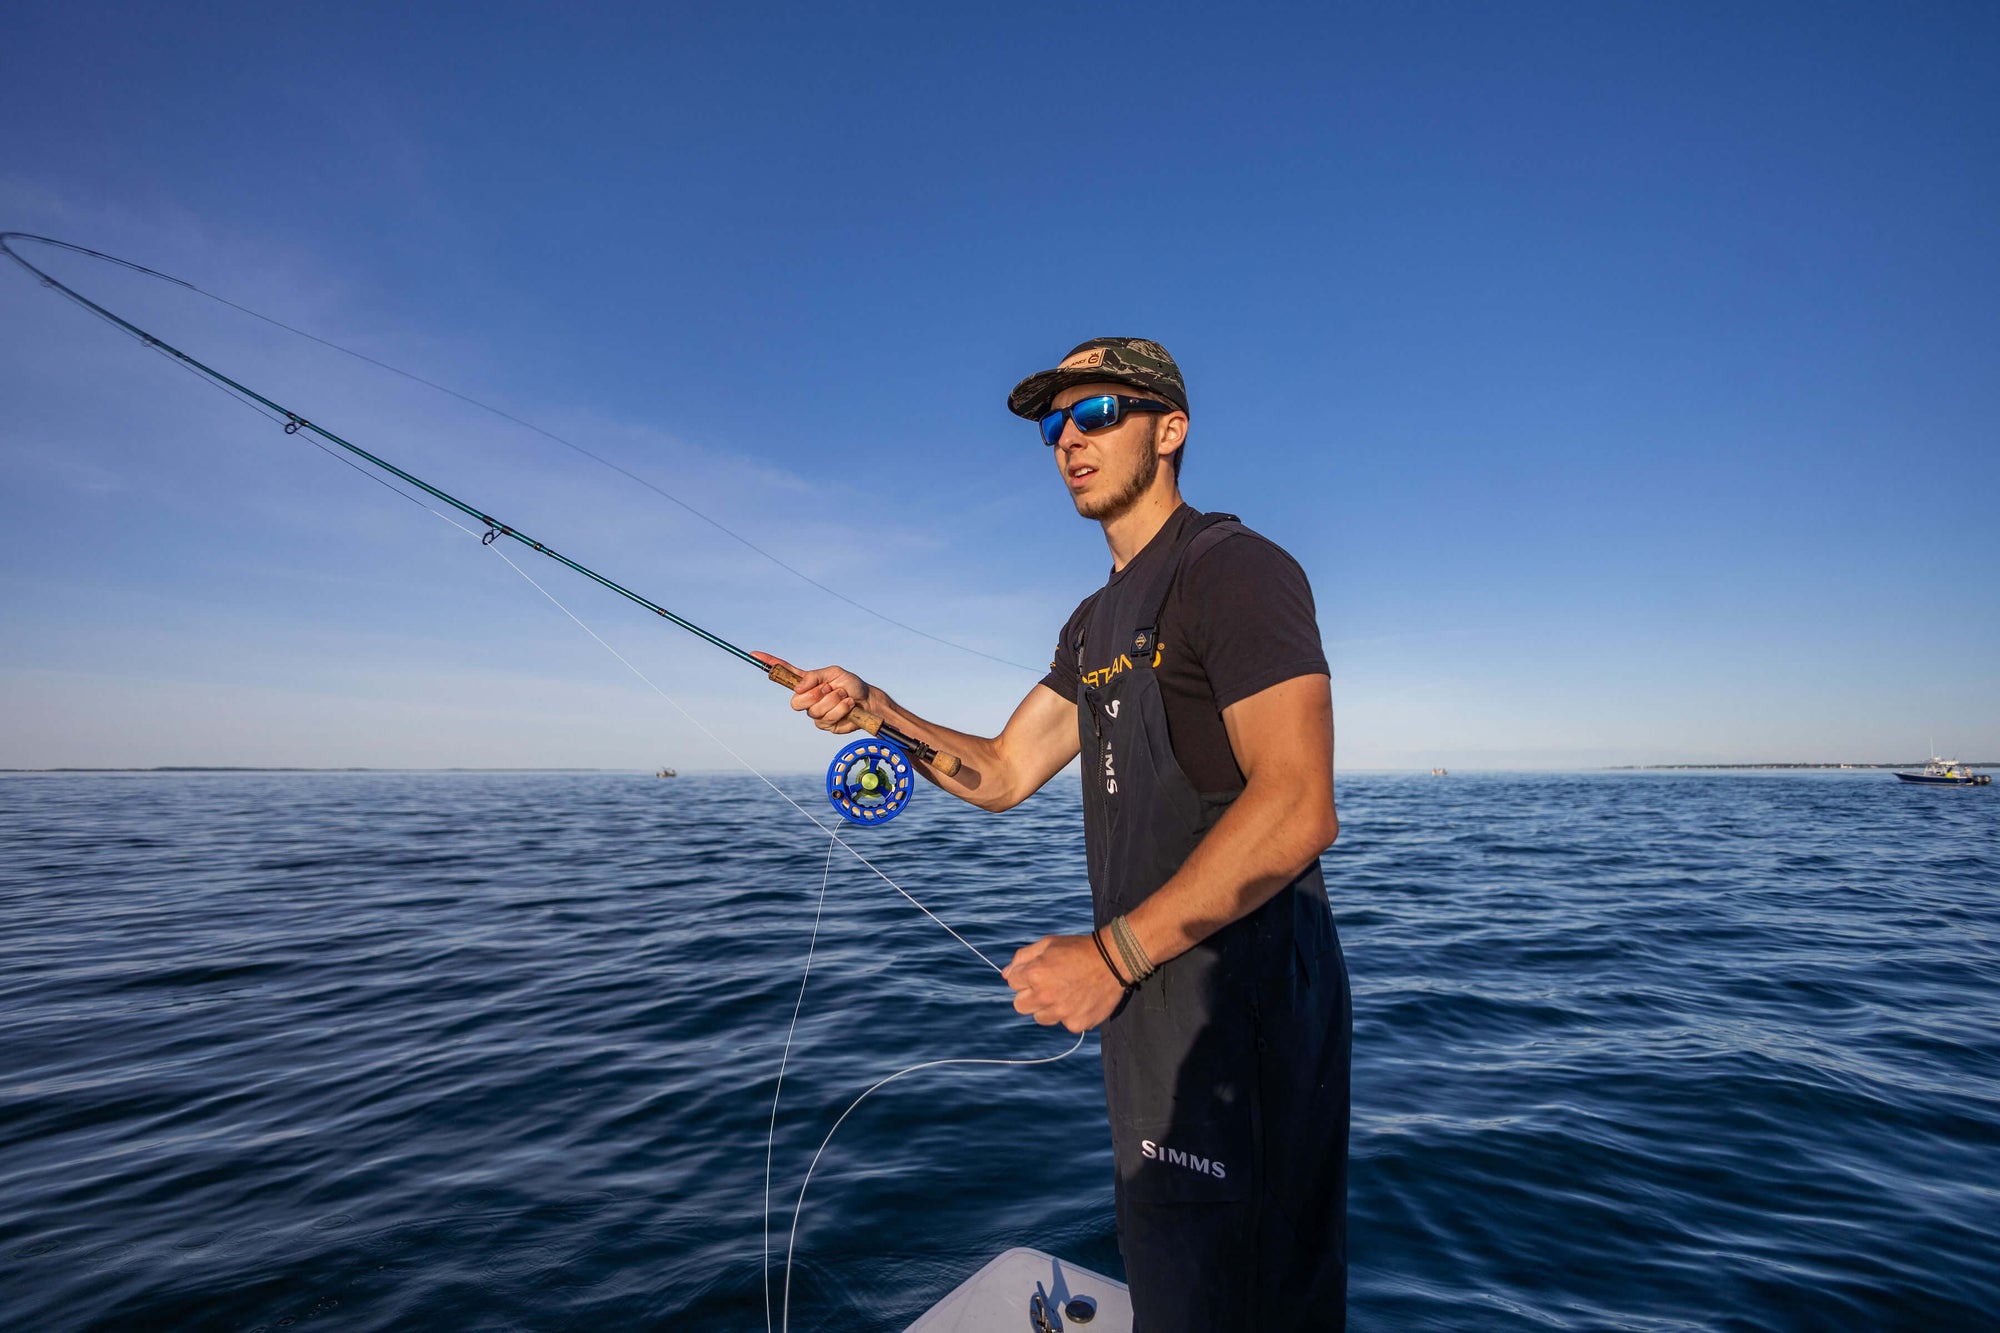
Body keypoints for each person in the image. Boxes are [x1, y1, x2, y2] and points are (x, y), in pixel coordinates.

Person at [758, 337, 1349, 1331]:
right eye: (1052, 424)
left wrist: (1112, 953)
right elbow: (999, 772)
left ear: (1169, 429)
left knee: (1240, 1298)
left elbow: (1296, 806)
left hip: (1236, 1026)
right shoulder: (1091, 622)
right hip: (1145, 1019)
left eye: (1097, 414)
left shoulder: (1233, 569)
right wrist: (875, 710)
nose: (1068, 440)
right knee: (1171, 1279)